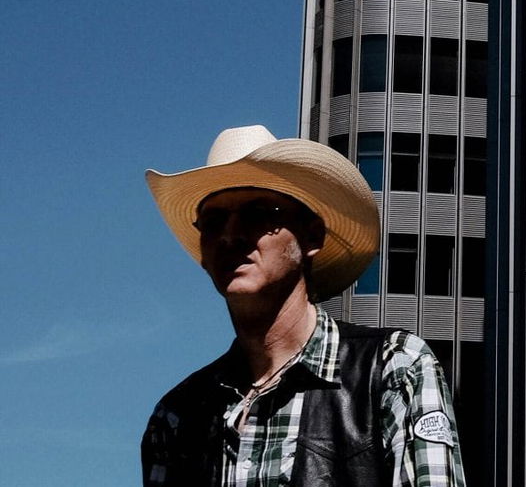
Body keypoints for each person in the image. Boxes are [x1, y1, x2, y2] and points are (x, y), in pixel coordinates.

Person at [142, 124, 465, 486]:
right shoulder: (177, 416)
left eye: (258, 214)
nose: (231, 235)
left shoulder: (394, 367)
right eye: (214, 221)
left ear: (311, 236)